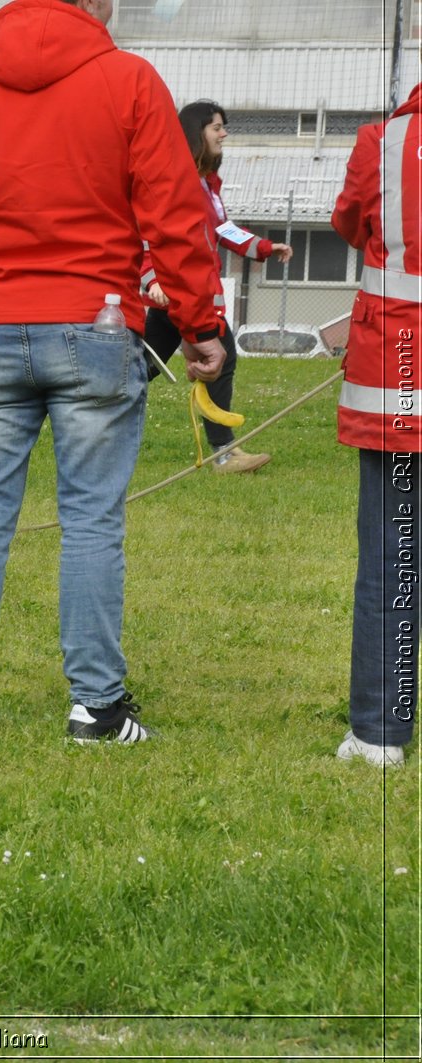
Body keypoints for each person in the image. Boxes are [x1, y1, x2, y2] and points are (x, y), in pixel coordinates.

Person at [0, 0, 227, 744]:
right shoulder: (130, 82)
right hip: (98, 324)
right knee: (90, 520)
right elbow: (176, 215)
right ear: (98, 3)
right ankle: (96, 707)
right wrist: (201, 321)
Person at [328, 82, 422, 766]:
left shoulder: (382, 142)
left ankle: (379, 732)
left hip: (397, 371)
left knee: (391, 552)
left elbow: (347, 220)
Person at [142, 99, 293, 474]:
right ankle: (223, 453)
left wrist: (263, 247)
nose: (224, 134)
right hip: (177, 295)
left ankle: (224, 450)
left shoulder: (207, 185)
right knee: (217, 356)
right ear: (197, 133)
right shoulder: (172, 181)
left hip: (194, 297)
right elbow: (147, 236)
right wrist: (153, 279)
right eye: (216, 127)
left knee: (141, 369)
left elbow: (222, 229)